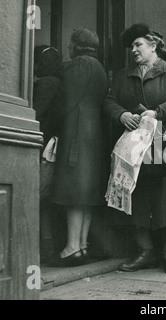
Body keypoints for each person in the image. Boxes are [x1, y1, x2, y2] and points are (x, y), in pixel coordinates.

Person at [104, 24, 166, 274]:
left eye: (138, 45)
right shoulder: (124, 75)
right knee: (138, 195)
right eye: (131, 46)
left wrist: (157, 113)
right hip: (135, 146)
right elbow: (109, 100)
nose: (133, 50)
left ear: (153, 45)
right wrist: (121, 114)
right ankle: (144, 252)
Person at [51, 28, 108, 267]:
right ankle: (82, 245)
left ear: (76, 44)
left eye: (70, 43)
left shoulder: (78, 64)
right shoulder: (98, 67)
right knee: (86, 195)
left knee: (74, 192)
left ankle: (71, 247)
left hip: (76, 132)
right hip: (94, 135)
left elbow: (65, 100)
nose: (67, 47)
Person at [33, 45, 63, 263]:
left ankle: (40, 249)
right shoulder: (60, 83)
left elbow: (37, 114)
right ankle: (48, 249)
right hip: (52, 148)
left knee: (36, 199)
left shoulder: (45, 84)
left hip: (40, 146)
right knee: (44, 202)